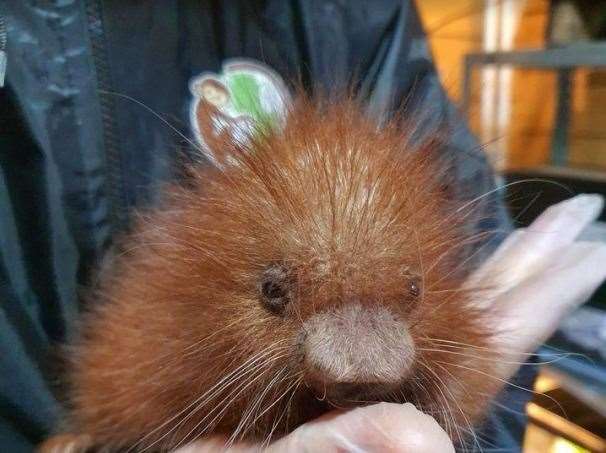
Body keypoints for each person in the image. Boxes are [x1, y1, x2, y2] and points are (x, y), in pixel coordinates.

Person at [4, 1, 602, 451]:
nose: (359, 364)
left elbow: (473, 281)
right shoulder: (168, 331)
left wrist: (462, 408)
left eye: (410, 291)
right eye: (275, 293)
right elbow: (119, 396)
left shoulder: (354, 15)